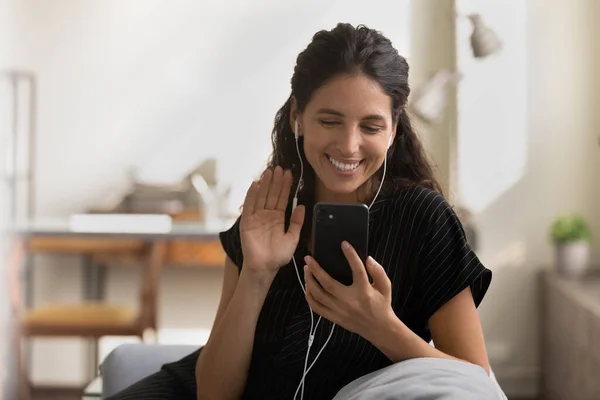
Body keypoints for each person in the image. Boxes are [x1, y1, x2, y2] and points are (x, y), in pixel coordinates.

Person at [107, 22, 492, 400]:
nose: (349, 146)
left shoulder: (424, 219)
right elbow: (212, 392)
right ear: (298, 117)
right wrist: (256, 273)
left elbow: (475, 384)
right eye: (330, 121)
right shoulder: (268, 213)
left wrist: (381, 327)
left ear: (393, 131)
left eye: (371, 127)